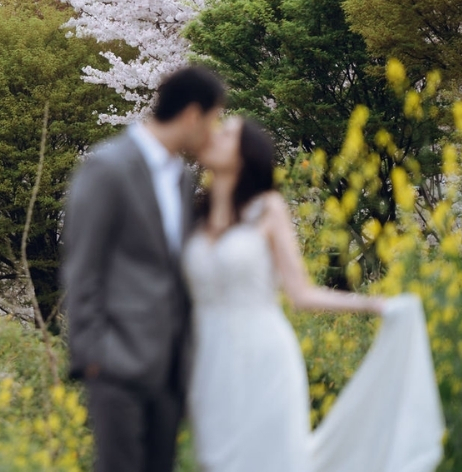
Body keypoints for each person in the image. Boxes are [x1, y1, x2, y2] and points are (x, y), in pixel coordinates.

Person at [183, 116, 444, 472]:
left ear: (247, 154)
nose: (215, 135)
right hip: (209, 363)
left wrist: (374, 303)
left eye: (227, 133)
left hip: (264, 359)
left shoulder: (267, 208)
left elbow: (301, 293)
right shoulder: (194, 215)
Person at [61, 65, 225, 472]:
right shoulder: (108, 167)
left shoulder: (182, 180)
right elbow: (83, 266)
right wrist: (92, 356)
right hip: (115, 362)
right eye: (214, 120)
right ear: (191, 115)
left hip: (169, 368)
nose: (214, 132)